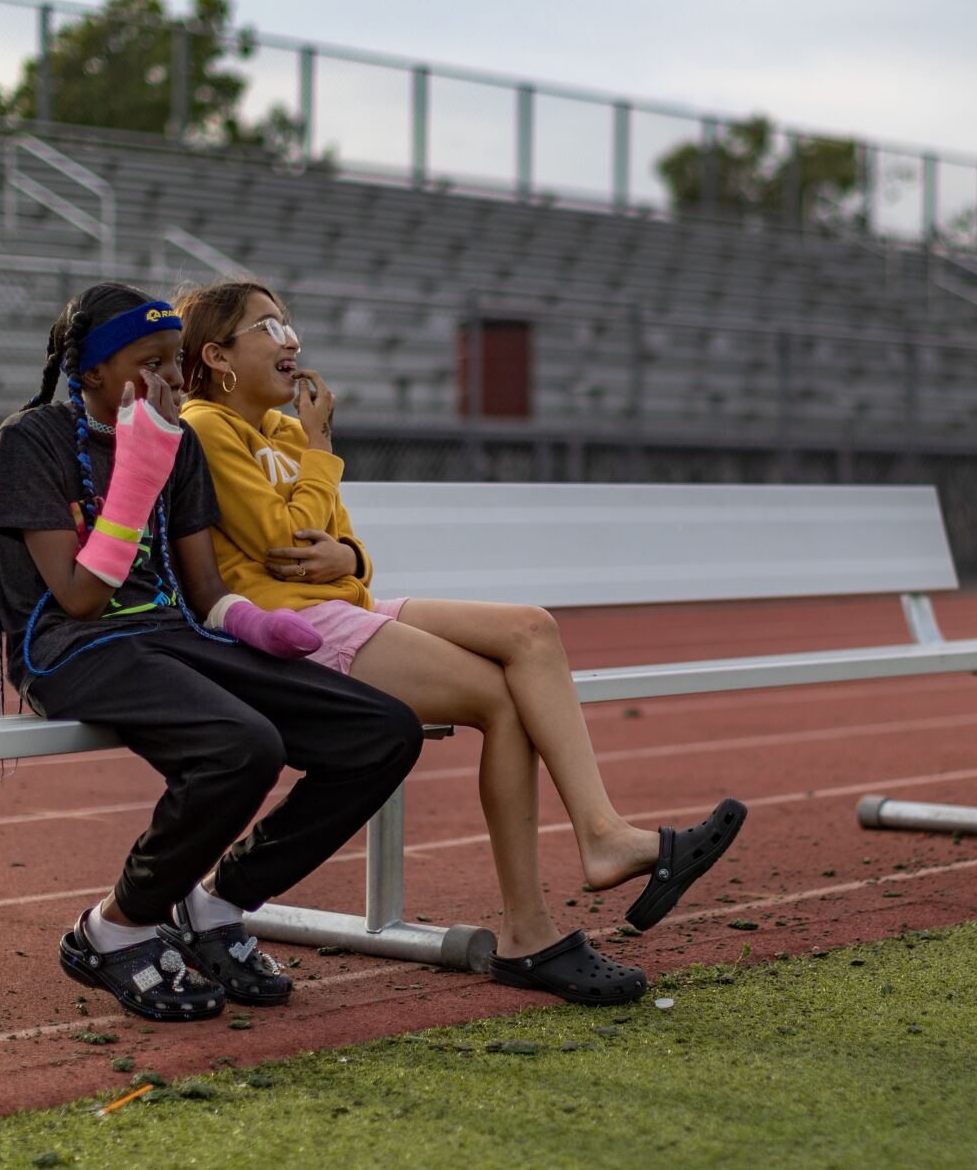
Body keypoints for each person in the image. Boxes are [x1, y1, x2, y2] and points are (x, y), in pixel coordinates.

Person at [171, 278, 747, 1007]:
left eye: (289, 325)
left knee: (532, 629)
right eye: (267, 328)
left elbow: (344, 548)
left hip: (341, 601)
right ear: (218, 356)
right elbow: (286, 545)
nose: (291, 342)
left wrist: (347, 556)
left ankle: (604, 834)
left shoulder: (284, 434)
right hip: (288, 626)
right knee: (500, 699)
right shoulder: (206, 428)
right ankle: (528, 930)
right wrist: (322, 454)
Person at [0, 282, 424, 1022]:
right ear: (89, 369)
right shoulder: (32, 439)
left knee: (383, 731)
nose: (167, 382)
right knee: (242, 745)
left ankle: (218, 902)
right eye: (146, 363)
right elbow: (81, 597)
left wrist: (254, 625)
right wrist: (137, 470)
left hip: (170, 636)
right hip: (70, 648)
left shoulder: (177, 439)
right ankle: (116, 924)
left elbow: (204, 587)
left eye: (174, 364)